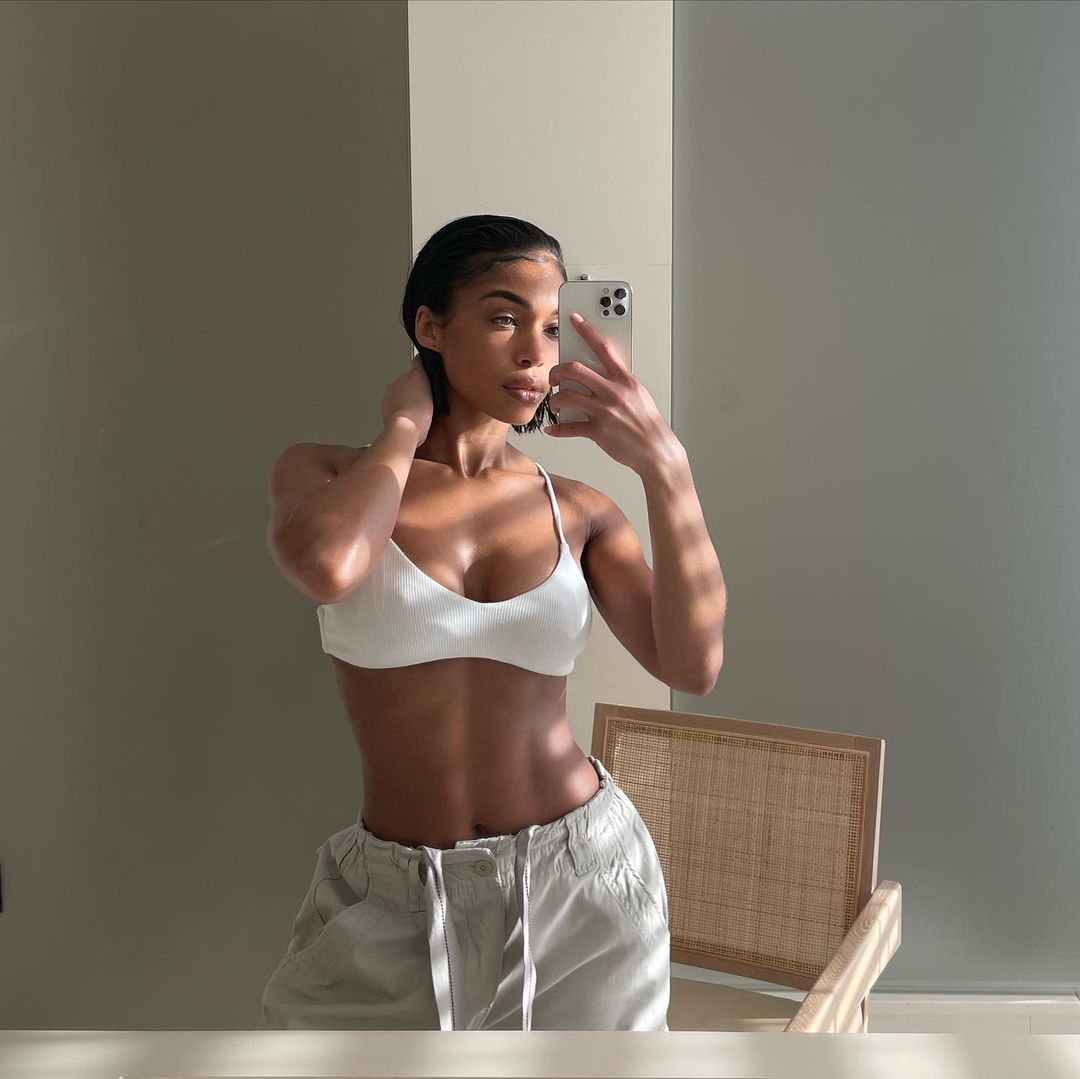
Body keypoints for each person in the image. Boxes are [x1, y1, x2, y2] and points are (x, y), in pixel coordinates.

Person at [256, 214, 698, 1032]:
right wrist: (402, 427)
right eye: (503, 318)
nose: (535, 352)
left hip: (580, 889)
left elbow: (691, 662)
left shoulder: (580, 510)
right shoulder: (325, 473)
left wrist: (664, 467)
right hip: (392, 902)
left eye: (553, 328)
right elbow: (329, 566)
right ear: (430, 325)